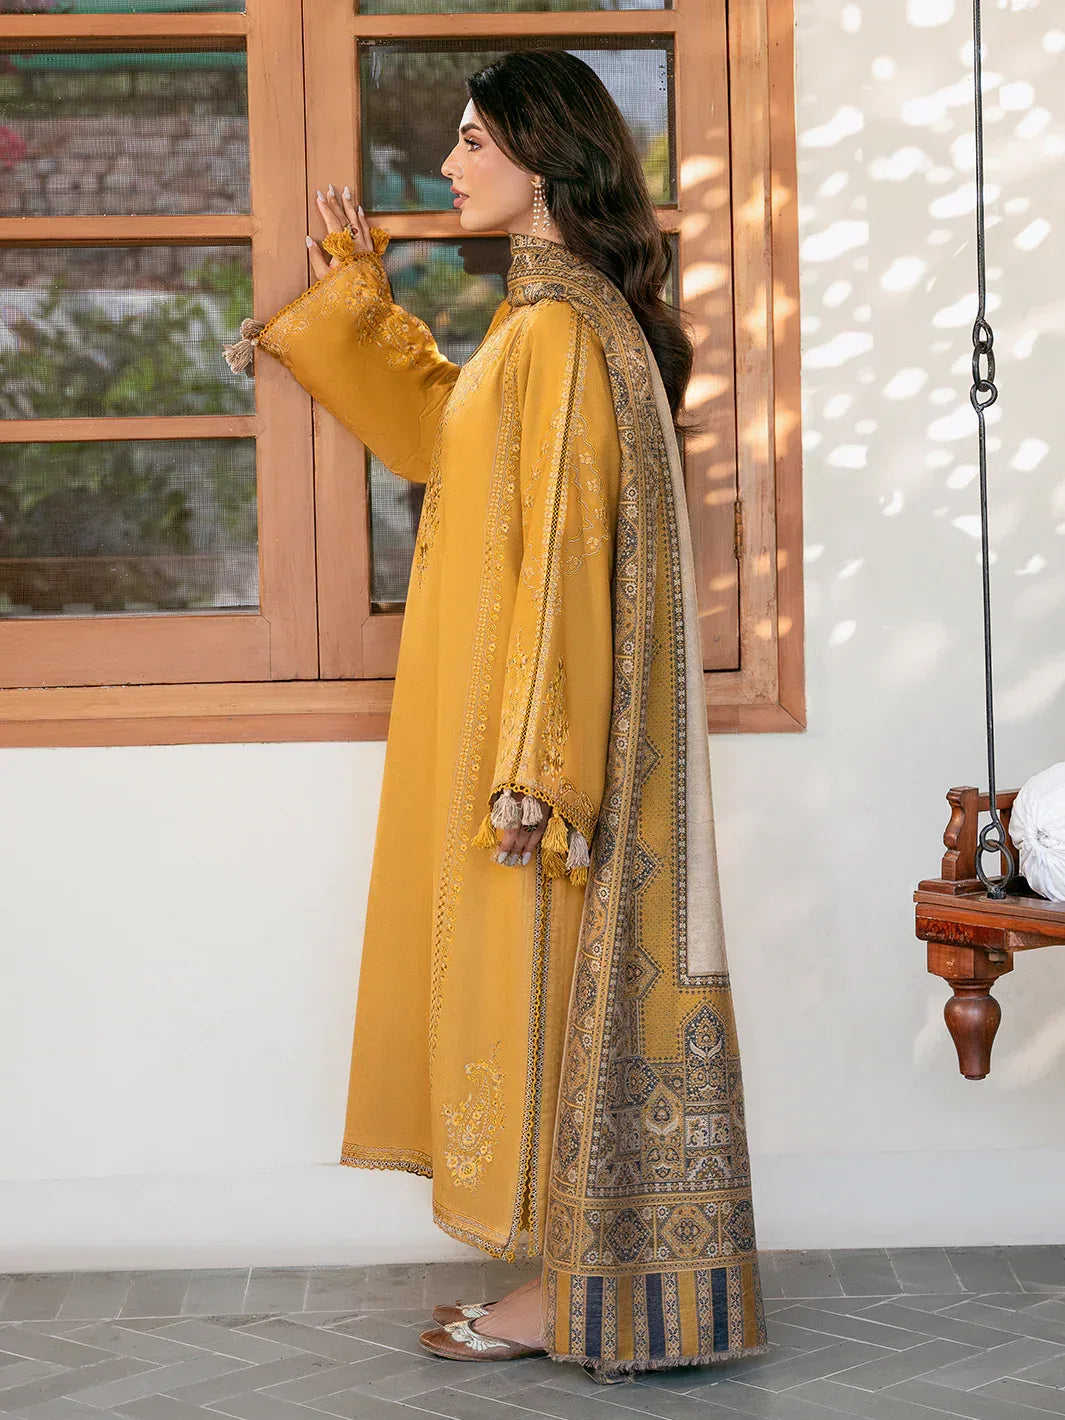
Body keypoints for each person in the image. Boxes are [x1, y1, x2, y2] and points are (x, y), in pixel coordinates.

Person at [224, 48, 768, 1384]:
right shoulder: (551, 327)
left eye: (473, 141)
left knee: (553, 1010)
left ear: (542, 158)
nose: (452, 163)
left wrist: (535, 766)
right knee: (558, 1019)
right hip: (531, 738)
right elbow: (446, 446)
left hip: (536, 755)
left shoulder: (560, 334)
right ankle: (581, 1285)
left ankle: (566, 1293)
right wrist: (359, 305)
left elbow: (567, 556)